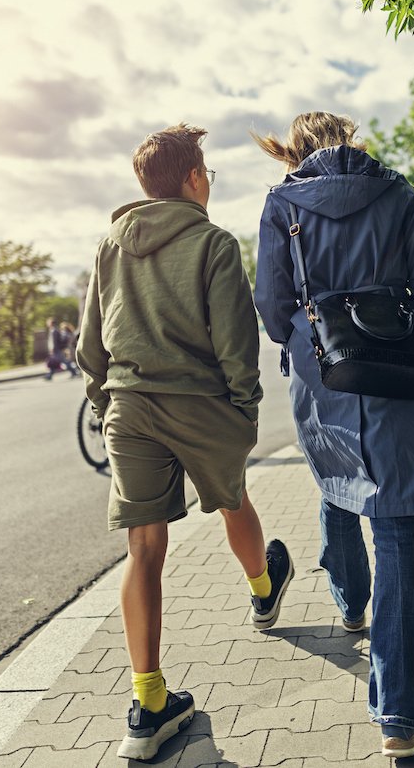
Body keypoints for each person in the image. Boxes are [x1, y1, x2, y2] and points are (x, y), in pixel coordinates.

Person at [75, 123, 295, 761]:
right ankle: (262, 590)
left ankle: (147, 705)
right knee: (231, 499)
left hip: (128, 407)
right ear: (195, 179)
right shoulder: (213, 242)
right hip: (199, 404)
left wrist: (107, 400)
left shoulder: (109, 244)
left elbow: (92, 341)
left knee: (142, 547)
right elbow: (236, 342)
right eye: (209, 174)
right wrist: (244, 410)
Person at [253, 112, 414, 760]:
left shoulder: (282, 204)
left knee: (336, 481)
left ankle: (350, 599)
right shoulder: (400, 194)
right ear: (352, 140)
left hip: (321, 369)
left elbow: (272, 305)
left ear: (297, 152)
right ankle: (399, 714)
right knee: (396, 526)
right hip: (395, 365)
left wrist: (308, 344)